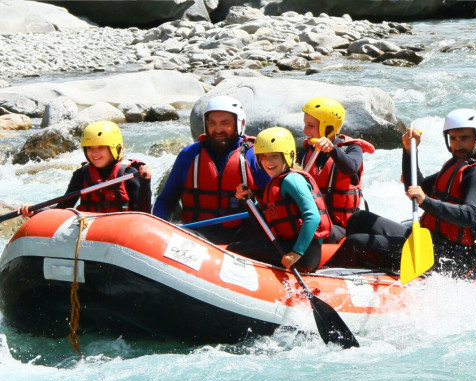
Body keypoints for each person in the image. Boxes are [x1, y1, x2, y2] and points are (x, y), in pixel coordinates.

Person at [327, 109, 476, 278]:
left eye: (464, 138)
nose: (457, 145)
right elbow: (415, 187)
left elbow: (470, 216)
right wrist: (409, 151)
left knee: (356, 243)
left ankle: (324, 280)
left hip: (455, 257)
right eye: (453, 138)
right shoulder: (456, 166)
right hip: (430, 240)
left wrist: (426, 201)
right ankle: (365, 268)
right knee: (359, 219)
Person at [152, 95, 269, 244]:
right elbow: (166, 201)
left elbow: (274, 202)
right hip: (196, 236)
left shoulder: (253, 156)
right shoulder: (189, 155)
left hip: (242, 238)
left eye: (225, 123)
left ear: (240, 123)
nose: (217, 129)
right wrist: (161, 230)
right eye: (212, 123)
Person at [227, 127, 332, 272]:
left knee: (234, 250)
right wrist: (249, 199)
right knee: (239, 244)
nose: (268, 161)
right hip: (286, 246)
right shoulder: (277, 182)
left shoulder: (292, 180)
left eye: (274, 156)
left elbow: (313, 217)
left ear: (289, 155)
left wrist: (296, 253)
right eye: (263, 156)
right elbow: (264, 224)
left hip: (305, 254)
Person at [19, 120, 152, 216]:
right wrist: (35, 210)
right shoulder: (81, 174)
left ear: (115, 148)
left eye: (101, 148)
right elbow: (63, 208)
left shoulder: (130, 174)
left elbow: (143, 213)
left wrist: (146, 182)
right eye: (90, 148)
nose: (94, 153)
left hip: (123, 233)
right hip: (90, 231)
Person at [298, 97, 374, 243]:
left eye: (311, 125)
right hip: (315, 222)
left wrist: (333, 150)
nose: (305, 130)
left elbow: (351, 167)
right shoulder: (305, 152)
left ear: (328, 128)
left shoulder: (352, 148)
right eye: (305, 124)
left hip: (342, 228)